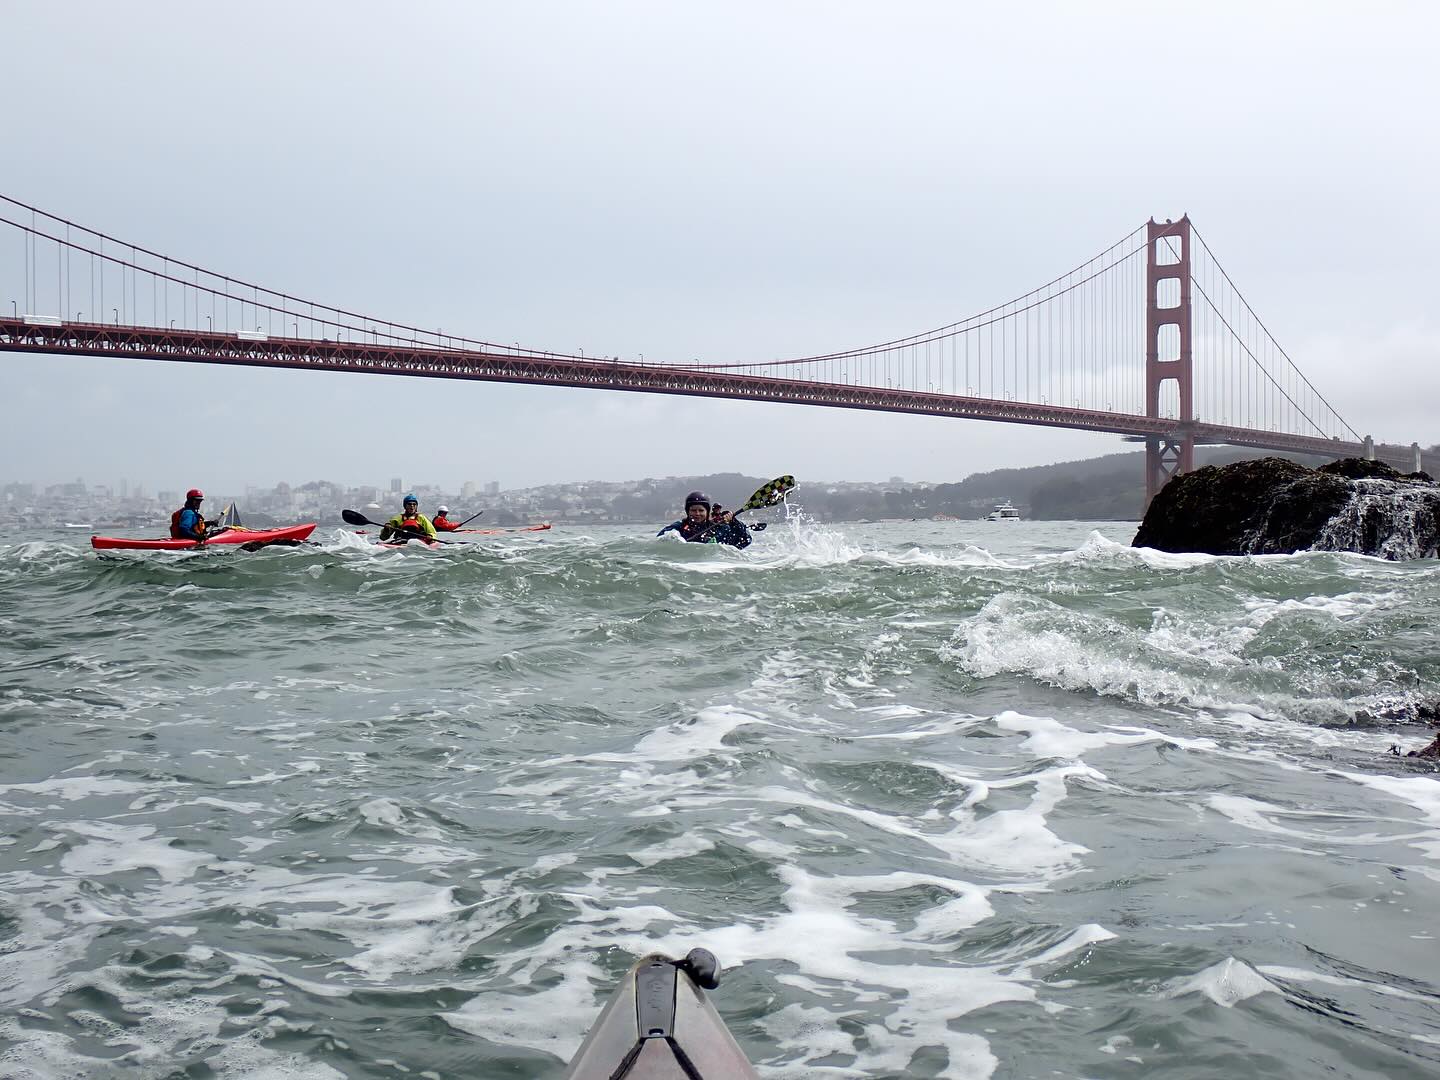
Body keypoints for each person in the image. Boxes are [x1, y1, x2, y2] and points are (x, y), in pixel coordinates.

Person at [657, 491, 751, 549]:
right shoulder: (679, 527)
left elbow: (745, 541)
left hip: (712, 568)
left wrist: (734, 523)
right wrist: (674, 539)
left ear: (707, 512)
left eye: (701, 510)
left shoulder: (719, 528)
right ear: (687, 511)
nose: (697, 514)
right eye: (693, 510)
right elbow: (659, 539)